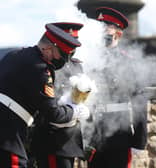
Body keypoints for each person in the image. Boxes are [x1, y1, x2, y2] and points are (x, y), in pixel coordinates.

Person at [0, 22, 87, 168]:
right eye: (61, 55)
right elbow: (53, 113)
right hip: (8, 137)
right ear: (48, 48)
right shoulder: (40, 69)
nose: (62, 61)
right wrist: (74, 111)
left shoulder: (14, 55)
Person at [88, 7, 147, 168]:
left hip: (119, 133)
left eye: (106, 26)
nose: (102, 30)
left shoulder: (128, 62)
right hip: (94, 133)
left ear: (118, 32)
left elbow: (139, 102)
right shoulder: (89, 57)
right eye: (100, 25)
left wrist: (139, 141)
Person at [30, 23, 93, 168]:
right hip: (52, 137)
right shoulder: (50, 64)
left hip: (70, 138)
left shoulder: (77, 66)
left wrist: (85, 110)